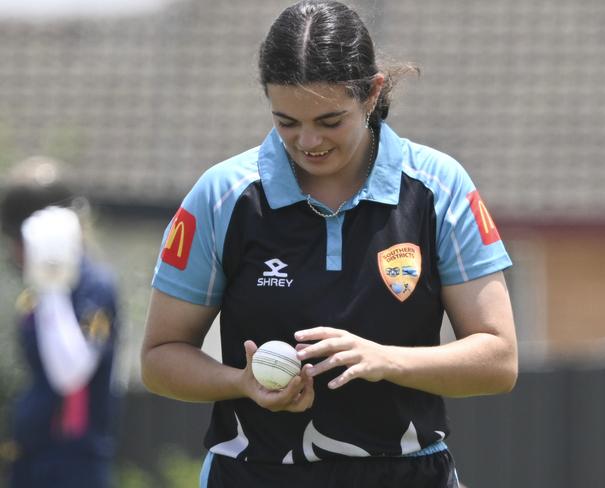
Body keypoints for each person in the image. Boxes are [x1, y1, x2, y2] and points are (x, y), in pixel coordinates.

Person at [141, 1, 517, 487]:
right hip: (254, 474)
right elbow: (159, 357)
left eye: (329, 120)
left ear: (371, 93)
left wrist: (386, 359)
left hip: (409, 474)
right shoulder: (222, 196)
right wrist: (240, 382)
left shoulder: (437, 188)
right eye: (287, 122)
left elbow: (499, 359)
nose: (308, 141)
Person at [0, 156, 121, 488]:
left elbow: (71, 372)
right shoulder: (36, 292)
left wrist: (52, 282)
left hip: (72, 461)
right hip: (32, 455)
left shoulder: (94, 285)